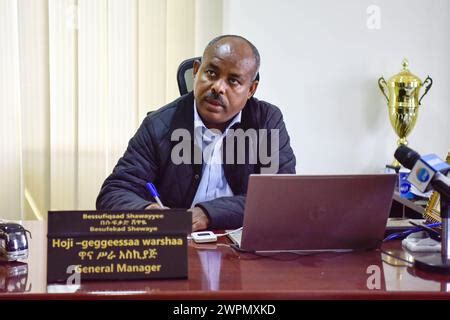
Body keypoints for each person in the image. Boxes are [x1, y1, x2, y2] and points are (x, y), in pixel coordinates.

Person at [96, 35, 296, 231]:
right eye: (211, 73)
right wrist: (148, 210)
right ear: (196, 71)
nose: (218, 87)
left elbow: (280, 196)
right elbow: (114, 192)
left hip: (243, 245)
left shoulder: (266, 121)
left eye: (233, 81)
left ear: (251, 89)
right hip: (182, 246)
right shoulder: (158, 125)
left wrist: (208, 213)